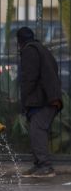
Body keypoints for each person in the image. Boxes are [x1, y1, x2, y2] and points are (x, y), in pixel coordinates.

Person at [17, 27, 62, 178]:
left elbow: (29, 78)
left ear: (19, 41)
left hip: (44, 100)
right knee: (36, 131)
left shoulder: (29, 51)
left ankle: (45, 167)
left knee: (37, 131)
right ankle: (39, 165)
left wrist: (23, 101)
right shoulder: (41, 48)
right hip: (47, 98)